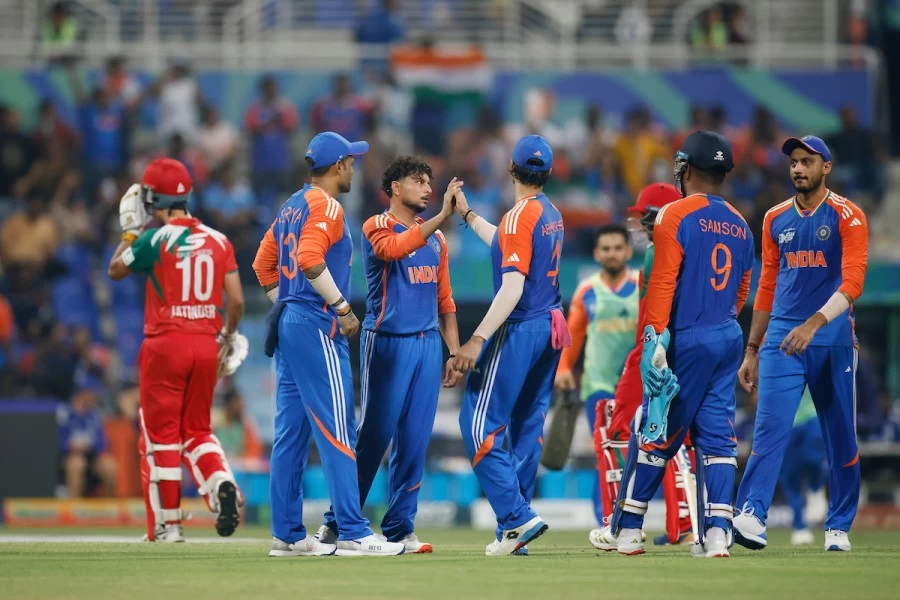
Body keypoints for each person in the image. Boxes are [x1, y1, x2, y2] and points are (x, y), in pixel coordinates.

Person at [252, 132, 405, 558]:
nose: (354, 168)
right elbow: (309, 258)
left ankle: (287, 535)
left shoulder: (292, 204)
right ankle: (353, 530)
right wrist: (340, 307)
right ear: (338, 166)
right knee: (338, 427)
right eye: (351, 162)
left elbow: (263, 265)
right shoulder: (327, 205)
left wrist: (287, 303)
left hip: (290, 323)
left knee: (290, 435)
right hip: (316, 324)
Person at [604, 131, 755, 558]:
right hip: (727, 334)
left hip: (686, 337)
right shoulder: (742, 225)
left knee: (656, 429)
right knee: (719, 439)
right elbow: (742, 291)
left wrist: (655, 339)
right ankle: (718, 534)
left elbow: (663, 284)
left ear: (686, 170)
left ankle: (629, 530)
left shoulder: (674, 214)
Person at [317, 156, 462, 553]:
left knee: (415, 441)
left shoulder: (437, 239)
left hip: (428, 345)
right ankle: (337, 524)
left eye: (430, 182)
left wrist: (453, 351)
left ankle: (399, 527)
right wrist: (443, 217)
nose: (428, 189)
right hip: (387, 342)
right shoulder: (376, 225)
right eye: (419, 181)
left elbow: (445, 300)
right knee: (375, 437)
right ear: (395, 188)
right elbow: (396, 249)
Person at [733, 135, 868, 553]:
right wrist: (752, 349)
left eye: (807, 161)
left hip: (832, 337)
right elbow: (767, 285)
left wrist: (814, 324)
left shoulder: (848, 214)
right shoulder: (774, 218)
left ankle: (838, 526)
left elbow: (853, 283)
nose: (797, 168)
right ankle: (752, 514)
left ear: (825, 167)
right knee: (769, 430)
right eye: (793, 161)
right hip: (782, 337)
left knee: (841, 436)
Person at [107, 158, 248, 543]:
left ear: (155, 199)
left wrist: (130, 233)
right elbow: (236, 301)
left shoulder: (154, 240)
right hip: (206, 345)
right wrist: (227, 336)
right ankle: (221, 484)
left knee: (160, 437)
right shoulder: (219, 240)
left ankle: (168, 526)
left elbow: (115, 270)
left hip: (165, 345)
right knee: (198, 430)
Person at [451, 135, 570, 557]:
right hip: (551, 326)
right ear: (548, 173)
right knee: (525, 429)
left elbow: (513, 285)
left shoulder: (520, 216)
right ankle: (513, 531)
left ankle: (516, 517)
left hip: (521, 327)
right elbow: (506, 242)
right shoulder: (550, 213)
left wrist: (476, 338)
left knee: (478, 424)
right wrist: (467, 215)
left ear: (510, 169)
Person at [587, 182, 693, 550]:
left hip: (650, 348)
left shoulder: (656, 251)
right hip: (685, 348)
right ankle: (687, 524)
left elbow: (653, 313)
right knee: (678, 437)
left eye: (647, 216)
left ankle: (618, 525)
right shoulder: (688, 248)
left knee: (616, 429)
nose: (642, 223)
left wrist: (646, 355)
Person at [554, 223, 638, 526]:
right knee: (607, 452)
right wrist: (564, 368)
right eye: (606, 249)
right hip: (597, 384)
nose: (612, 253)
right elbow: (573, 334)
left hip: (636, 386)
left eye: (617, 248)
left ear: (628, 251)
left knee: (634, 455)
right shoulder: (587, 290)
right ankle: (607, 519)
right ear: (596, 253)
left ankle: (627, 519)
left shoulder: (642, 285)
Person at [779, 387, 828, 545]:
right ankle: (799, 525)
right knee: (790, 477)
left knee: (815, 459)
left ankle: (816, 488)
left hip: (812, 415)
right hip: (784, 423)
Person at [57, 376, 117, 498]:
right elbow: (58, 441)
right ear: (83, 393)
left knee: (110, 465)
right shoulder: (64, 412)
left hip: (91, 457)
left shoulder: (94, 414)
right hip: (69, 457)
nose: (95, 396)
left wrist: (90, 446)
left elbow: (103, 443)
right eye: (92, 392)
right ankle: (74, 505)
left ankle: (111, 505)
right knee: (77, 463)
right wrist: (72, 446)